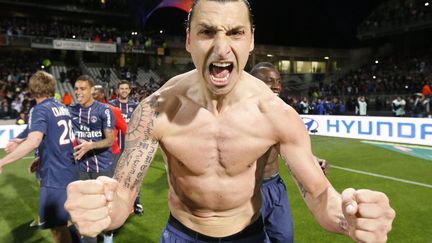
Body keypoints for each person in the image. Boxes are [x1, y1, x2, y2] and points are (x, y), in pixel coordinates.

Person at [65, 1, 395, 242]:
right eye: (207, 32)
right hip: (182, 234)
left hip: (249, 235)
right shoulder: (157, 110)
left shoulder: (276, 115)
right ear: (189, 41)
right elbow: (123, 194)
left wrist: (349, 217)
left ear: (251, 41)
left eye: (235, 33)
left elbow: (319, 195)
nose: (222, 48)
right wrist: (104, 210)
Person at [250, 62, 329, 243]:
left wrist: (312, 160)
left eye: (278, 81)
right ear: (253, 82)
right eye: (270, 81)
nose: (277, 86)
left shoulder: (283, 115)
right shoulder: (238, 115)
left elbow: (290, 147)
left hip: (276, 187)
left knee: (285, 238)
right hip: (249, 191)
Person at [0, 71, 78, 243]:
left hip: (54, 176)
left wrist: (3, 161)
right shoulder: (61, 107)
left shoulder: (39, 109)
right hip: (68, 170)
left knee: (57, 227)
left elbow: (35, 140)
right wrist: (38, 156)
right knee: (66, 221)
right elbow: (54, 138)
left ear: (31, 89)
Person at [68, 75, 115, 243]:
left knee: (105, 206)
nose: (78, 92)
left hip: (103, 167)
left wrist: (90, 145)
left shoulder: (104, 110)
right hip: (81, 168)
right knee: (86, 210)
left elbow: (110, 140)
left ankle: (108, 235)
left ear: (92, 90)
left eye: (82, 89)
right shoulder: (71, 110)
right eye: (76, 89)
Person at [108, 80, 143, 215]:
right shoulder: (111, 106)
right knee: (114, 177)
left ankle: (136, 202)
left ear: (129, 90)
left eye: (126, 89)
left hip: (131, 148)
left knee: (133, 176)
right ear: (117, 91)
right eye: (121, 88)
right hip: (115, 148)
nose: (123, 91)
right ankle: (115, 202)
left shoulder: (135, 106)